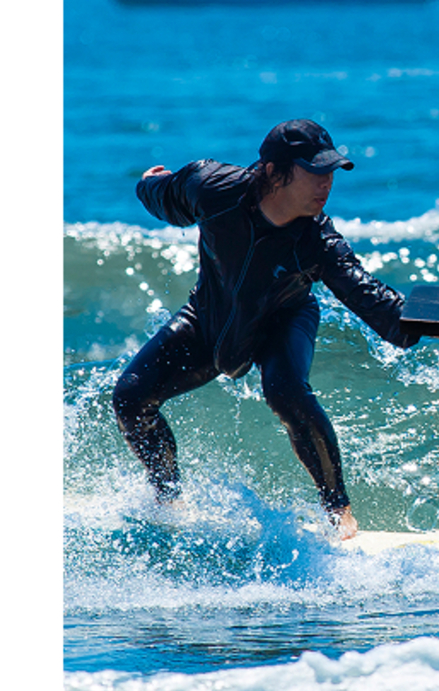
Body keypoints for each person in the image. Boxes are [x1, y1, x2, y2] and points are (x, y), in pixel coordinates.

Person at [112, 119, 420, 539]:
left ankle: (338, 509)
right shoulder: (212, 188)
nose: (326, 183)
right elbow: (164, 196)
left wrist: (426, 322)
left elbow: (367, 294)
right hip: (211, 318)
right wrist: (152, 182)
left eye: (330, 172)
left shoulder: (317, 241)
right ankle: (168, 498)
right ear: (274, 172)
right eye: (315, 171)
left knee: (285, 390)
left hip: (284, 319)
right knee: (130, 397)